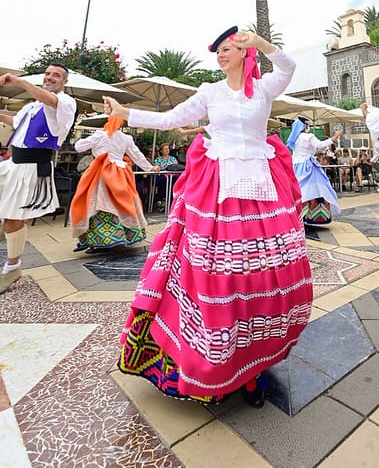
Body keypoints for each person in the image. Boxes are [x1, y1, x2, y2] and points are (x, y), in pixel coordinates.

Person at [103, 27, 312, 407]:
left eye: (228, 48)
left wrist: (261, 43)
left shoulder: (264, 88)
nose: (220, 54)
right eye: (217, 50)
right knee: (216, 275)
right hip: (216, 191)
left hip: (263, 188)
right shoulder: (209, 91)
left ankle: (252, 363)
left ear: (245, 53)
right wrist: (125, 113)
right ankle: (215, 359)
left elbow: (289, 64)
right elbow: (170, 119)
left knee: (263, 271)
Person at [0, 65, 77, 293]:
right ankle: (11, 262)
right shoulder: (32, 106)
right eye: (48, 74)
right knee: (10, 218)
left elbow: (50, 101)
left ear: (64, 82)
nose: (50, 77)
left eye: (56, 75)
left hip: (32, 167)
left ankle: (12, 268)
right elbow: (16, 123)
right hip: (14, 164)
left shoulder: (66, 102)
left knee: (13, 218)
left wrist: (19, 81)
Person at [69, 117, 158, 253]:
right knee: (122, 203)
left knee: (95, 204)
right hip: (120, 174)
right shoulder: (126, 138)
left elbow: (78, 147)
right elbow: (137, 155)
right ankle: (120, 238)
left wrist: (87, 141)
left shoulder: (100, 135)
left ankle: (95, 241)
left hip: (99, 174)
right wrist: (150, 168)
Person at [287, 117, 343, 225]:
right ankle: (312, 217)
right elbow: (320, 145)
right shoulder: (309, 137)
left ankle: (297, 217)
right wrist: (335, 137)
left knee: (298, 191)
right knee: (316, 189)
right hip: (308, 166)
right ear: (305, 127)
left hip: (295, 166)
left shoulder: (295, 138)